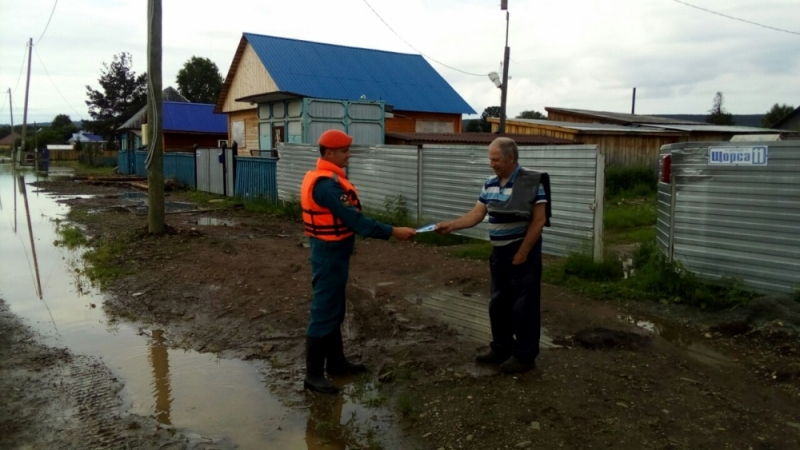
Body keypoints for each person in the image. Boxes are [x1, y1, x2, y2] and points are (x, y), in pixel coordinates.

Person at [300, 129, 417, 394]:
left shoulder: (328, 180)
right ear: (330, 153)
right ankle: (313, 375)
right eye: (344, 151)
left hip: (333, 252)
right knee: (324, 311)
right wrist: (394, 231)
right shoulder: (327, 186)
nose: (349, 155)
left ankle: (336, 363)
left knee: (334, 308)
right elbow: (357, 222)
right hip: (329, 254)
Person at [435, 137, 551, 374]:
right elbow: (477, 214)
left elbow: (539, 220)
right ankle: (501, 347)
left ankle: (525, 355)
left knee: (524, 305)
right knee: (498, 303)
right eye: (490, 159)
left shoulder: (531, 183)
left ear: (510, 158)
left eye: (495, 160)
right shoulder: (489, 184)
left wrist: (523, 252)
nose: (491, 164)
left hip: (523, 251)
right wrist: (452, 225)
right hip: (499, 252)